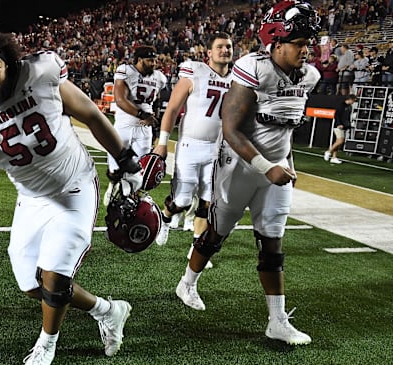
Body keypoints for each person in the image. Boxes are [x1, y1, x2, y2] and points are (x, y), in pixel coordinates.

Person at [0, 33, 141, 365]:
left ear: (9, 66)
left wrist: (125, 158)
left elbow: (91, 114)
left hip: (73, 186)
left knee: (54, 273)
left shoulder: (40, 74)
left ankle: (47, 343)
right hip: (32, 197)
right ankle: (108, 311)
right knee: (31, 284)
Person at [175, 0, 320, 346]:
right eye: (298, 43)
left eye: (307, 43)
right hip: (238, 166)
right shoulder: (254, 68)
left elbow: (282, 132)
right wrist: (266, 167)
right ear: (277, 42)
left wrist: (285, 164)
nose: (306, 50)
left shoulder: (310, 76)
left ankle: (277, 321)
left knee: (272, 243)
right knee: (216, 234)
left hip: (277, 169)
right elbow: (231, 128)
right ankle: (188, 282)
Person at [152, 32, 234, 272]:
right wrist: (162, 142)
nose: (225, 50)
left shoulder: (237, 79)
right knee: (182, 199)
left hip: (217, 148)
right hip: (190, 144)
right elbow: (173, 108)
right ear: (209, 53)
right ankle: (166, 217)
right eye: (219, 47)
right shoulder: (194, 71)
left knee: (208, 201)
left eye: (228, 47)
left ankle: (196, 247)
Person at [102, 45, 167, 206]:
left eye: (155, 60)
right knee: (116, 168)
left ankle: (131, 201)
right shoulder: (126, 71)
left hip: (144, 130)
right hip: (124, 125)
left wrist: (154, 123)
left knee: (139, 172)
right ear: (139, 60)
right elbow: (120, 99)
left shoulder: (159, 77)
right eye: (150, 60)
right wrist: (142, 114)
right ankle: (113, 185)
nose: (154, 63)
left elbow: (156, 100)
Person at [325, 95, 357, 164]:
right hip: (338, 126)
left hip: (344, 126)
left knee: (338, 142)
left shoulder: (349, 107)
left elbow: (346, 118)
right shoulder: (341, 105)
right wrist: (338, 124)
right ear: (350, 99)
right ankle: (328, 151)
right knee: (340, 141)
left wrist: (348, 125)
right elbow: (336, 115)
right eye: (353, 100)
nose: (353, 102)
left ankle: (334, 157)